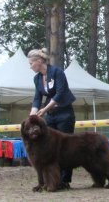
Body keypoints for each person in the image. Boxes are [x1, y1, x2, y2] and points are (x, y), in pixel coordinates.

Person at [28, 48, 77, 189]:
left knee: (66, 148)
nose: (30, 66)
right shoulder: (37, 78)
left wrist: (45, 109)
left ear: (39, 61)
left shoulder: (57, 72)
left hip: (64, 114)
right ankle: (52, 180)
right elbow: (37, 98)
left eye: (31, 63)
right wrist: (33, 114)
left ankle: (65, 180)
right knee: (50, 148)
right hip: (50, 116)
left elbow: (60, 93)